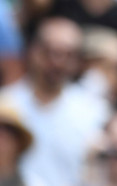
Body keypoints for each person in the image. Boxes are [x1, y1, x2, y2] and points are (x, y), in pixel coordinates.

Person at [0, 17, 109, 185]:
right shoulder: (5, 104)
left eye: (68, 54)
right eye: (50, 52)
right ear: (33, 51)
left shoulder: (95, 111)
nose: (57, 62)